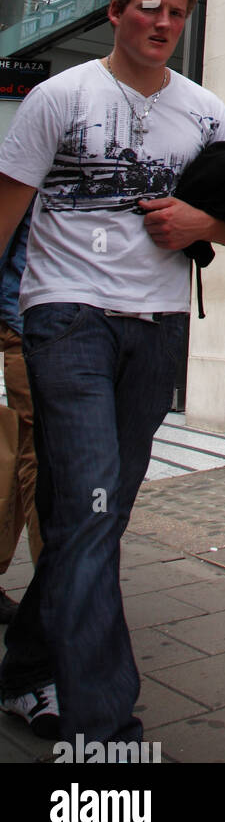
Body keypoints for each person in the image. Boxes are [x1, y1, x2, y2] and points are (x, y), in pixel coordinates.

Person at [0, 0, 225, 752]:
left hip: (160, 325)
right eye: (148, 9)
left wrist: (197, 226)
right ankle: (104, 728)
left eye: (177, 12)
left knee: (95, 514)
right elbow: (4, 214)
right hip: (65, 317)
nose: (162, 23)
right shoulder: (57, 96)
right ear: (115, 13)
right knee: (91, 503)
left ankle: (23, 671)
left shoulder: (207, 111)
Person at [0, 210, 40, 629]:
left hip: (34, 326)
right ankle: (60, 589)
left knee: (20, 459)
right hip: (30, 326)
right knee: (39, 458)